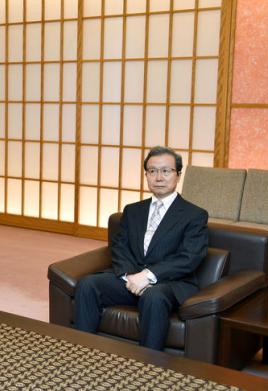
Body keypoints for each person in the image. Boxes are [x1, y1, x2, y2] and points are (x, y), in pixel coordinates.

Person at [74, 146, 208, 351]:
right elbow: (120, 247)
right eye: (152, 171)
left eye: (166, 171)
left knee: (153, 296)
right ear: (146, 175)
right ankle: (83, 352)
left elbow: (189, 257)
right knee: (88, 284)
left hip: (169, 283)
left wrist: (149, 276)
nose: (159, 177)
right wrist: (129, 276)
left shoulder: (194, 215)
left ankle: (148, 366)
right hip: (132, 280)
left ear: (178, 175)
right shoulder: (132, 210)